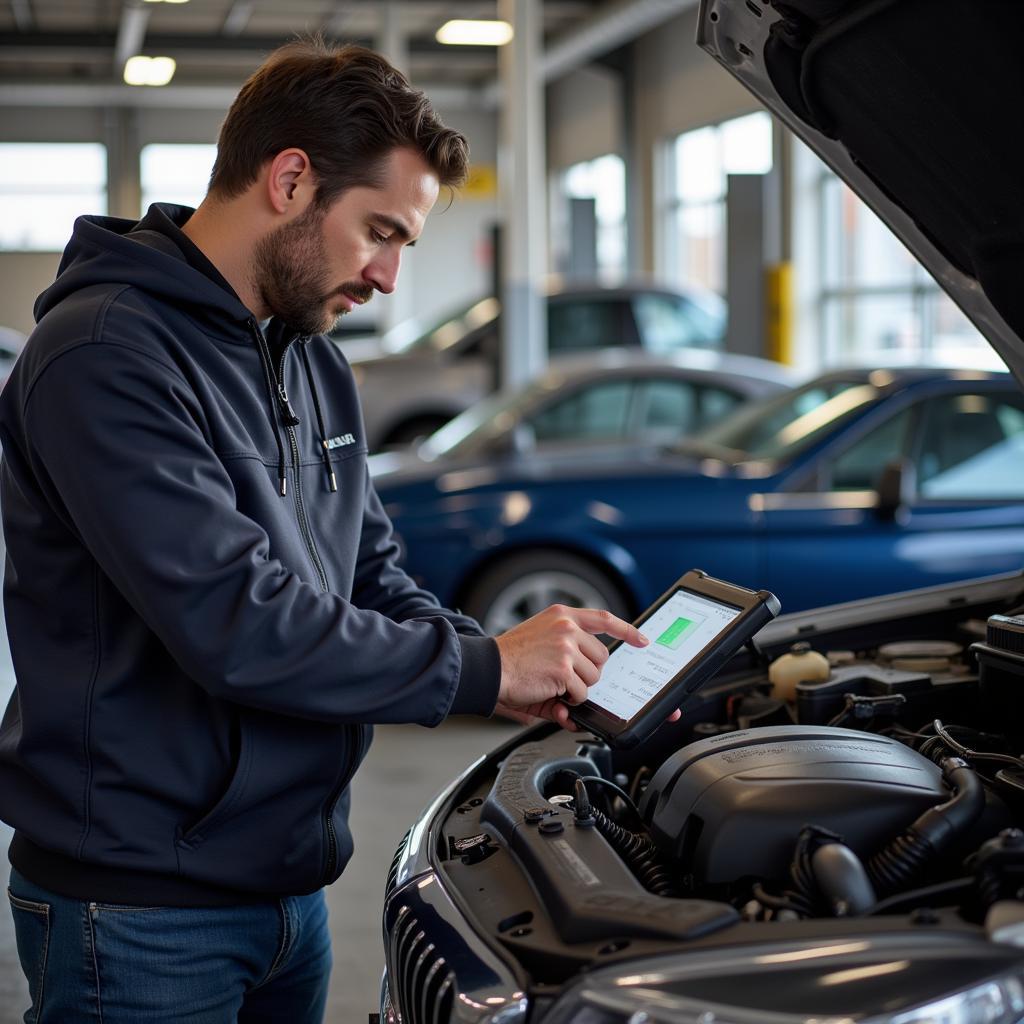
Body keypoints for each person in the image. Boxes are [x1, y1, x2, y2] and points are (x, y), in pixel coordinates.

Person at [0, 38, 657, 1023]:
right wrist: (479, 672)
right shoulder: (105, 355)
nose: (390, 277)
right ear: (291, 178)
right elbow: (239, 623)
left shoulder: (311, 362)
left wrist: (511, 661)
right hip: (137, 908)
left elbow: (371, 576)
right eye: (379, 232)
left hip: (290, 886)